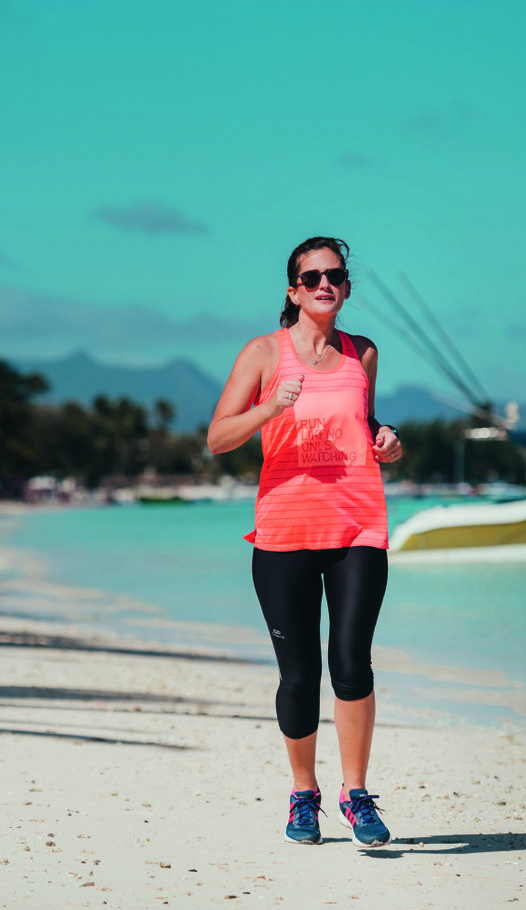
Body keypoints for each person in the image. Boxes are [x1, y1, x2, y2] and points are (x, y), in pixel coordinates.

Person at [207, 236, 403, 849]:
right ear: (293, 290)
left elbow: (361, 425)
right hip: (285, 532)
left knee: (352, 663)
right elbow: (217, 438)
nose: (325, 283)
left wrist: (387, 440)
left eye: (335, 275)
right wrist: (270, 410)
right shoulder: (263, 354)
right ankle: (302, 795)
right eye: (312, 275)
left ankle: (356, 795)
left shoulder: (361, 353)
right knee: (299, 675)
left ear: (345, 288)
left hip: (358, 526)